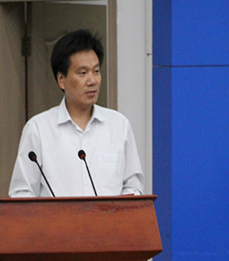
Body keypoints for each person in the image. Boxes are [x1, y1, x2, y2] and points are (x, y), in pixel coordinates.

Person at [8, 29, 144, 197]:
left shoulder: (119, 125)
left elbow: (134, 187)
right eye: (83, 73)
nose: (92, 81)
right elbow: (21, 193)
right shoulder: (38, 129)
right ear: (61, 80)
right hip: (56, 216)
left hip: (108, 216)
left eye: (96, 71)